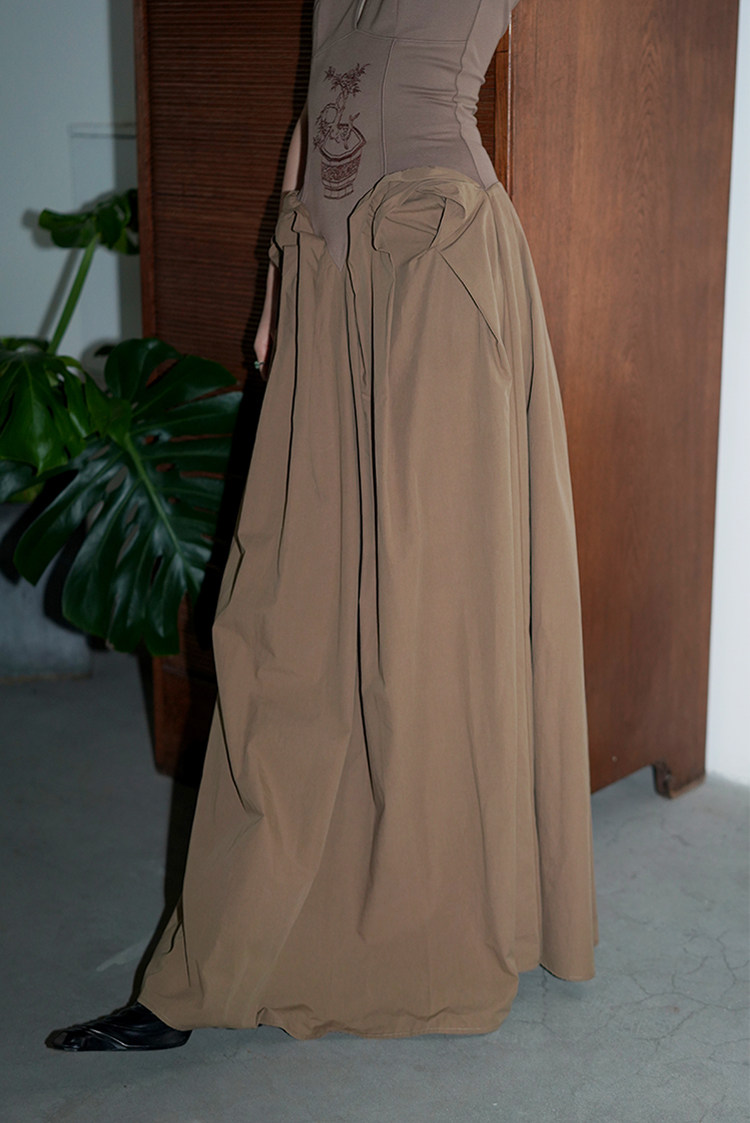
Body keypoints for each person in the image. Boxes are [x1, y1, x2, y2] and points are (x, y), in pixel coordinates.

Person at [48, 0, 597, 1051]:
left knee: (431, 613)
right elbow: (319, 98)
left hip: (437, 278)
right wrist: (275, 282)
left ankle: (434, 923)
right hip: (326, 278)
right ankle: (217, 955)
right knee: (280, 609)